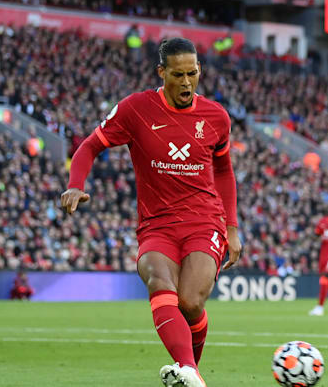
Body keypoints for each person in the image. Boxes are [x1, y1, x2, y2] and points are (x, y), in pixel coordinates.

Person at [60, 38, 242, 387]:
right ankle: (191, 372)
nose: (187, 82)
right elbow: (90, 145)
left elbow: (223, 171)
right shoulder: (136, 109)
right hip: (156, 225)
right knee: (159, 281)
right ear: (162, 72)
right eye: (178, 75)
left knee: (190, 302)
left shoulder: (216, 117)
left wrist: (231, 228)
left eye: (193, 74)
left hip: (204, 221)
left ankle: (189, 370)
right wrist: (75, 184)